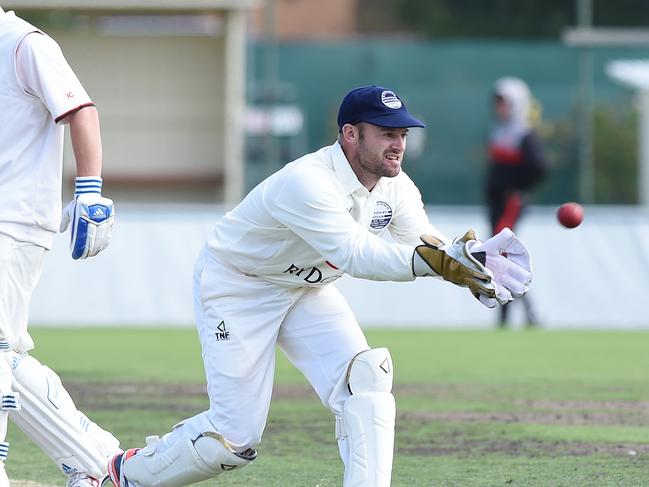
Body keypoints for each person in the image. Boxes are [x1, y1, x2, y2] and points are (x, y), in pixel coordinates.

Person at [104, 85, 532, 487]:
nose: (399, 144)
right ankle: (125, 473)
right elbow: (355, 253)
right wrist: (438, 263)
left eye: (402, 133)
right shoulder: (307, 182)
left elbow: (424, 241)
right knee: (231, 440)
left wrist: (468, 260)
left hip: (307, 289)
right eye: (386, 133)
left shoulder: (396, 186)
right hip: (240, 286)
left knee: (366, 378)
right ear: (350, 134)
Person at [0, 7, 121, 487]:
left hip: (13, 220)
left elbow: (80, 110)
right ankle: (97, 463)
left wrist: (89, 192)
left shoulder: (24, 42)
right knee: (9, 353)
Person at [486, 77, 549, 328]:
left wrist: (519, 190)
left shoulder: (523, 133)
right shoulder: (500, 130)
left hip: (509, 204)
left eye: (504, 102)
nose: (499, 107)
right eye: (497, 102)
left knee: (500, 256)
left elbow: (540, 166)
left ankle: (521, 313)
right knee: (499, 257)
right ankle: (516, 313)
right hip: (497, 203)